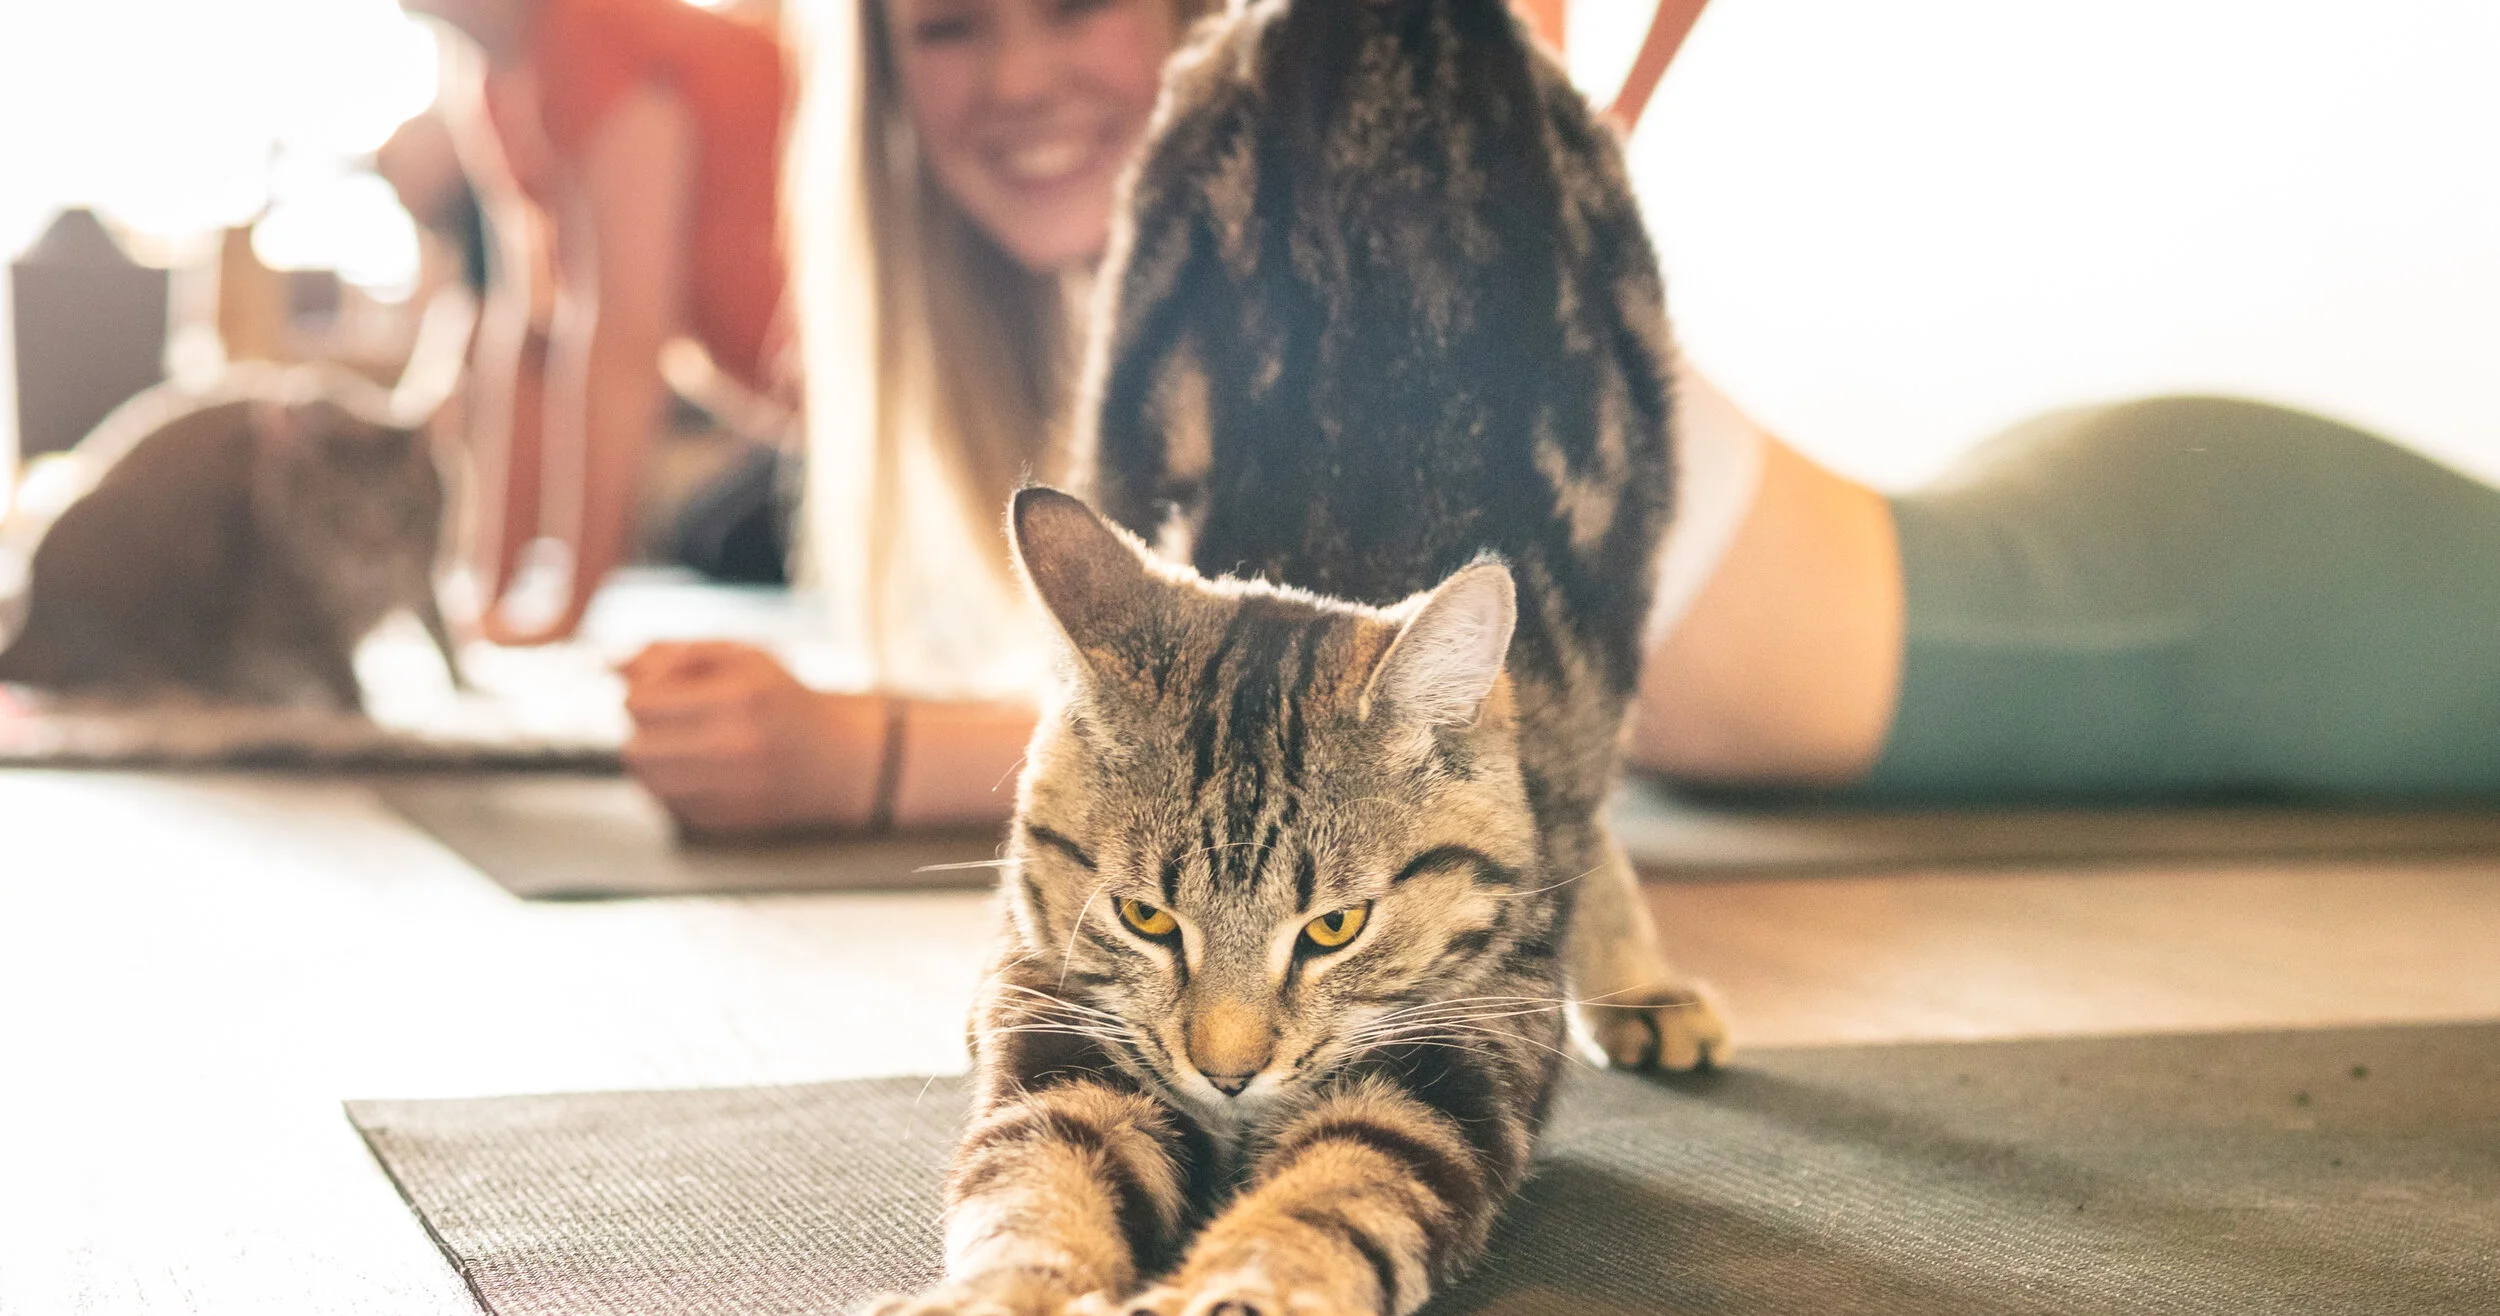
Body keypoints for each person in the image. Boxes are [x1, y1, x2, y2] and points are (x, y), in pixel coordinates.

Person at [623, 0, 2500, 836]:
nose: (1017, 75)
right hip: (2071, 534)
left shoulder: (1359, 215)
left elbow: (1325, 739)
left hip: (2210, 592)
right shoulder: (1159, 327)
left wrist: (863, 759)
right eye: (949, 25)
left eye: (1074, 3)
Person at [400, 0, 794, 646]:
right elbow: (531, 326)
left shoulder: (591, 25)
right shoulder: (492, 83)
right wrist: (489, 592)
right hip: (797, 421)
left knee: (725, 544)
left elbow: (624, 335)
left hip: (875, 400)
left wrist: (571, 606)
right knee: (714, 538)